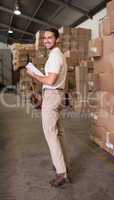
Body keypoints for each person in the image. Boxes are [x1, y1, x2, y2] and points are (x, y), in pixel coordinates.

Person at [27, 28, 70, 187]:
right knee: (58, 134)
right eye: (44, 38)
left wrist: (34, 75)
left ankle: (61, 172)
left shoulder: (55, 56)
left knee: (51, 135)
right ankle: (65, 167)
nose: (46, 40)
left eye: (50, 37)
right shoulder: (58, 56)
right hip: (56, 95)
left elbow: (50, 81)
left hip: (53, 96)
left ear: (57, 39)